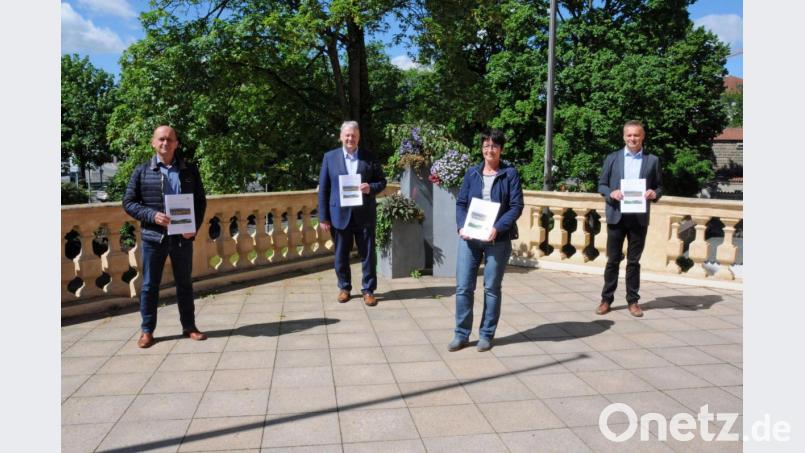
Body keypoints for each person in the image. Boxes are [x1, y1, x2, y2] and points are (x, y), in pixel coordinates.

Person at [123, 125, 208, 348]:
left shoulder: (189, 170)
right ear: (153, 143)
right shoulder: (142, 171)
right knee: (150, 285)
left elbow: (200, 202)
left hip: (182, 238)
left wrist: (194, 227)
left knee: (185, 284)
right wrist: (152, 215)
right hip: (154, 238)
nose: (165, 143)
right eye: (161, 139)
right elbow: (129, 203)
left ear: (176, 143)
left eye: (170, 139)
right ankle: (147, 331)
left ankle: (189, 326)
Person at [449, 128, 524, 352]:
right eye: (486, 145)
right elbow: (462, 203)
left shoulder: (510, 174)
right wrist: (462, 225)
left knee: (491, 288)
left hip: (497, 240)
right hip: (470, 239)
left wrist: (498, 228)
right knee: (463, 287)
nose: (489, 149)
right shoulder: (472, 173)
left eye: (493, 146)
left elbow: (516, 206)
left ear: (501, 149)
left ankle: (486, 334)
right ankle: (461, 334)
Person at [596, 120, 663, 317]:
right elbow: (601, 185)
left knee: (634, 262)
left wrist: (654, 193)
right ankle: (606, 300)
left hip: (639, 218)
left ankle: (633, 301)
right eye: (629, 135)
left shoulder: (652, 160)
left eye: (636, 135)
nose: (632, 138)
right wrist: (612, 193)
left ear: (643, 137)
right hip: (617, 216)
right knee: (613, 261)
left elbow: (660, 187)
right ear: (624, 136)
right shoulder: (613, 158)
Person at [317, 121, 387, 306]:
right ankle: (344, 288)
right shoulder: (329, 158)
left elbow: (382, 181)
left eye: (354, 135)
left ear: (358, 137)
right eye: (347, 135)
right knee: (341, 254)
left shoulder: (369, 157)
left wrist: (369, 188)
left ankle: (369, 290)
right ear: (341, 137)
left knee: (368, 255)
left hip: (364, 215)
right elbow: (323, 189)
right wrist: (323, 217)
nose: (350, 138)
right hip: (339, 215)